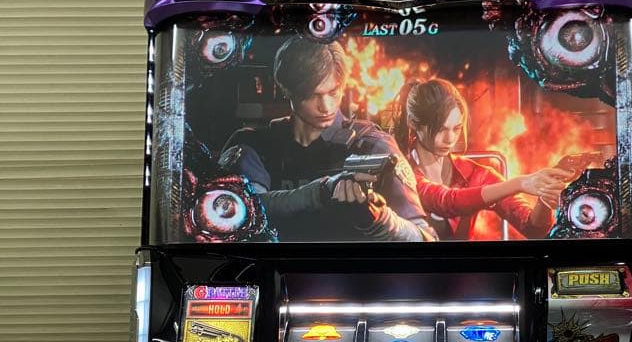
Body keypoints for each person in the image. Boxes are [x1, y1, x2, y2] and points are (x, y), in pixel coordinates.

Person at [218, 37, 436, 242]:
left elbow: (424, 236)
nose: (326, 107)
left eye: (333, 92)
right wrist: (319, 193)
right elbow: (241, 211)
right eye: (313, 95)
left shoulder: (374, 145)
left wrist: (378, 218)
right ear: (288, 90)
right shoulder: (253, 145)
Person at [393, 78, 575, 240]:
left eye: (456, 128)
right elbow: (447, 202)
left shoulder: (474, 173)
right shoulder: (399, 172)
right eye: (441, 129)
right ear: (414, 123)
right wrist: (520, 183)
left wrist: (545, 199)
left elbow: (533, 230)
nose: (450, 138)